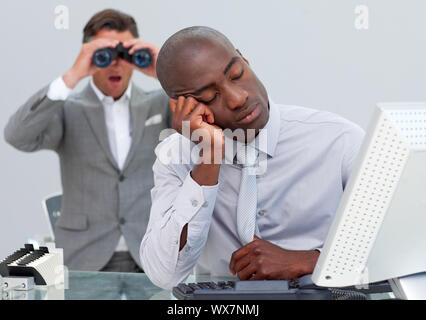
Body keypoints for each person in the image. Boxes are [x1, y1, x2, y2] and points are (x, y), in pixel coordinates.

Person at [139, 26, 365, 290]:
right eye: (210, 96)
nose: (238, 98)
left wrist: (312, 261)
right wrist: (209, 158)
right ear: (184, 107)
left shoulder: (339, 140)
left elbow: (405, 247)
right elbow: (164, 274)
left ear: (245, 61)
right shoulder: (175, 156)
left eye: (236, 75)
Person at [4, 9, 172, 272]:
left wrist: (166, 72)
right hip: (85, 257)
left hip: (150, 253)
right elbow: (17, 136)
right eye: (106, 54)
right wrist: (72, 76)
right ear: (88, 55)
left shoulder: (159, 104)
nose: (116, 63)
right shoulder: (68, 108)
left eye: (124, 54)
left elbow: (206, 130)